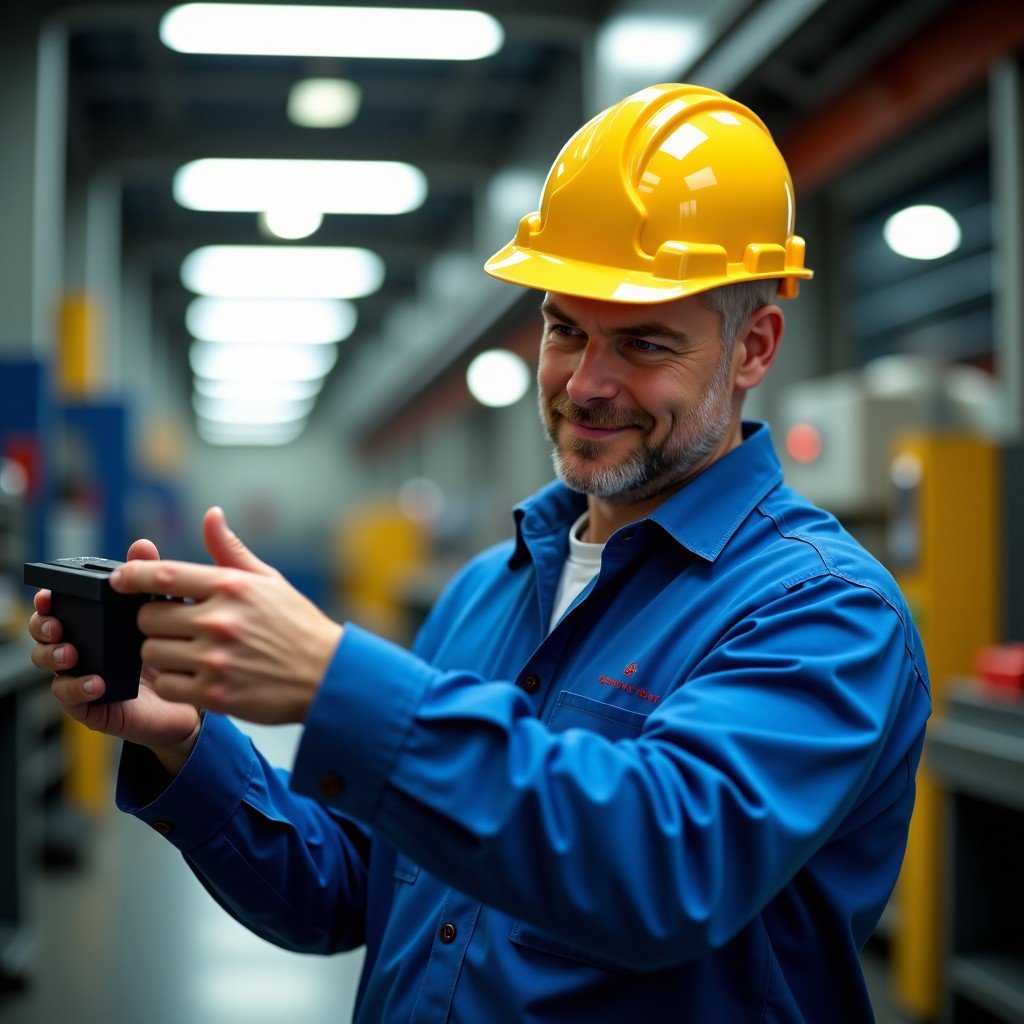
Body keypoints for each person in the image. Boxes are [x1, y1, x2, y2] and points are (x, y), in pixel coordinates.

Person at [29, 83, 931, 1022]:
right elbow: (348, 888)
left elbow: (665, 869)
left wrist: (337, 682)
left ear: (755, 349)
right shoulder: (486, 591)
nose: (587, 383)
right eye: (564, 329)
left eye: (645, 344)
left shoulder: (822, 613)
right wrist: (187, 742)